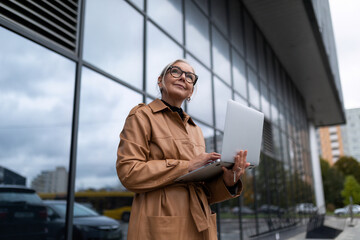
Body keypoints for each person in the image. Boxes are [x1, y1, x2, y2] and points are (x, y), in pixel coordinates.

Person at [116, 59, 249, 240]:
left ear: (191, 91)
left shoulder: (195, 130)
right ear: (160, 80)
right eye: (176, 72)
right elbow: (128, 173)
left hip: (200, 223)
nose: (183, 78)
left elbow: (204, 191)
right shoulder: (142, 116)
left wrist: (228, 180)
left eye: (190, 77)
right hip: (160, 222)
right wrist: (186, 166)